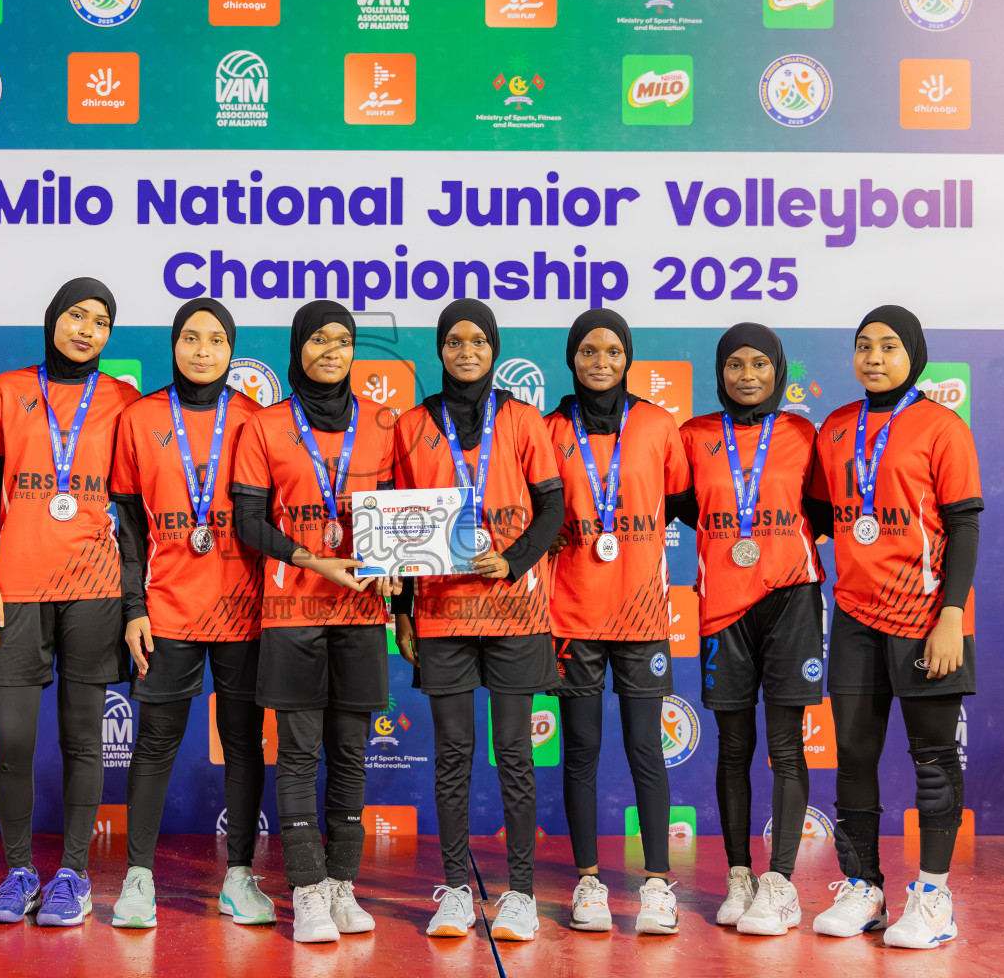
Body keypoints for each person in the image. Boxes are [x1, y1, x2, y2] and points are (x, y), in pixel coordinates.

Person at [391, 301, 565, 943]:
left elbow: (553, 508)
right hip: (441, 613)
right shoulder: (412, 424)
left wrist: (514, 561)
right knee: (454, 756)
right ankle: (457, 892)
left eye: (479, 340)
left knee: (516, 755)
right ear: (440, 349)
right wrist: (403, 612)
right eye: (455, 340)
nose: (467, 350)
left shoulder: (521, 419)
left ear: (494, 347)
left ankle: (520, 893)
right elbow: (397, 526)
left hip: (514, 611)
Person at [806, 306, 979, 949]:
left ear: (913, 355)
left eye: (888, 346)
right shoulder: (836, 427)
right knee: (853, 756)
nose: (873, 357)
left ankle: (933, 897)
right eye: (863, 346)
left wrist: (952, 616)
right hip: (854, 616)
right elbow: (818, 512)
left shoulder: (942, 426)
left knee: (932, 759)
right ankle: (864, 887)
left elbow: (963, 525)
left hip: (927, 617)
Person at [231, 303, 399, 943]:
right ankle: (305, 892)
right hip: (294, 609)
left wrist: (395, 566)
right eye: (320, 338)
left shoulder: (383, 425)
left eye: (345, 340)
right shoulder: (266, 426)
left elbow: (403, 516)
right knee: (299, 753)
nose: (333, 349)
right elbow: (248, 523)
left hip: (361, 611)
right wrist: (314, 561)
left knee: (351, 753)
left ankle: (342, 886)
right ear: (298, 345)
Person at [0, 279, 139, 927]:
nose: (86, 329)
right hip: (16, 585)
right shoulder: (7, 391)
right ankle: (18, 872)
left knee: (82, 741)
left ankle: (73, 874)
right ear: (52, 320)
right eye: (76, 315)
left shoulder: (124, 401)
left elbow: (136, 506)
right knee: (12, 741)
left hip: (96, 589)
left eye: (101, 320)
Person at [109, 298, 274, 930]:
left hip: (243, 612)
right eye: (190, 337)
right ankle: (138, 880)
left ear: (232, 350)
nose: (202, 350)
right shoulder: (140, 417)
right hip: (166, 609)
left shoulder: (257, 420)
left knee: (242, 745)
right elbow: (125, 523)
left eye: (215, 339)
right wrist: (133, 607)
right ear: (173, 344)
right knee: (153, 745)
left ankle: (238, 877)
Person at [672, 323, 827, 936]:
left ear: (778, 370)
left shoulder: (802, 434)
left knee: (786, 745)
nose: (747, 375)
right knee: (733, 747)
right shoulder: (693, 436)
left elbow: (821, 512)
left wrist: (773, 546)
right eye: (734, 364)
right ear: (720, 371)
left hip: (791, 597)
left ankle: (781, 880)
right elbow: (685, 505)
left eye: (760, 363)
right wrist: (733, 537)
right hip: (723, 605)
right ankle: (740, 874)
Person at [544, 309, 692, 936]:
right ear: (571, 358)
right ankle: (588, 882)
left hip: (641, 616)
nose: (599, 361)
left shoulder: (659, 426)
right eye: (587, 351)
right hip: (572, 614)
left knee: (644, 753)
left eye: (611, 350)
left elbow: (683, 502)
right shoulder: (550, 428)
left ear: (628, 357)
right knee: (579, 752)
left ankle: (657, 885)